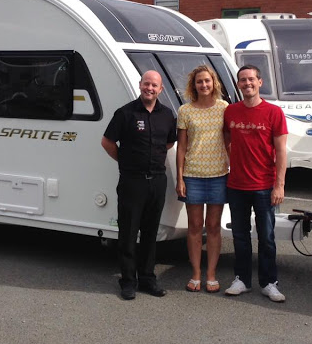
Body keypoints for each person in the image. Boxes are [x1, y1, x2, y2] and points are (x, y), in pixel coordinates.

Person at [101, 70, 177, 300]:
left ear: (160, 89)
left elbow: (170, 142)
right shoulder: (125, 113)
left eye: (154, 85)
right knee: (128, 232)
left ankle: (147, 278)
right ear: (140, 85)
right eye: (146, 84)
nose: (150, 88)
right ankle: (127, 281)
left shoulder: (167, 115)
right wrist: (125, 162)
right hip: (132, 181)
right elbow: (107, 142)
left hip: (157, 181)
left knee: (151, 232)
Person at [223, 64, 288, 302]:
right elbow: (227, 140)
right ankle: (242, 279)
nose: (247, 83)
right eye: (243, 80)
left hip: (264, 186)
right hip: (237, 185)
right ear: (238, 84)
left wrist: (279, 185)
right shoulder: (230, 111)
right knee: (240, 236)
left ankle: (269, 282)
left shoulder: (273, 112)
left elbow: (281, 151)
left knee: (267, 237)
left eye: (251, 79)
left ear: (260, 82)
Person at [176, 65, 229, 294]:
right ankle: (196, 274)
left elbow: (229, 142)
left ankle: (211, 275)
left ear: (213, 83)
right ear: (194, 85)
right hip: (193, 175)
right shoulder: (185, 111)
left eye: (207, 81)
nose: (204, 85)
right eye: (199, 81)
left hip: (218, 175)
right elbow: (181, 148)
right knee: (195, 227)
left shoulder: (225, 109)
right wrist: (180, 177)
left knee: (214, 227)